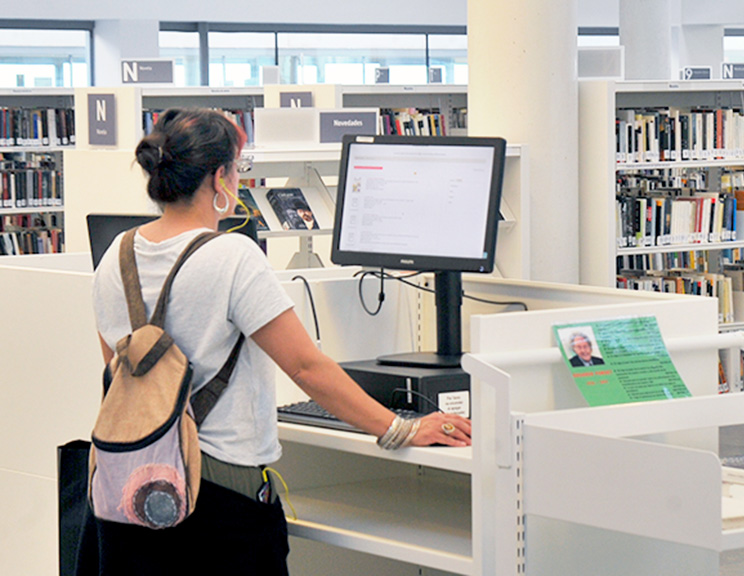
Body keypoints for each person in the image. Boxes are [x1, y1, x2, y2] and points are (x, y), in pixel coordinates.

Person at [91, 108, 470, 575]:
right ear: (219, 177)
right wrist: (402, 429)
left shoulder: (116, 255)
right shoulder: (231, 254)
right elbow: (307, 368)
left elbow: (119, 377)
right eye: (237, 167)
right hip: (219, 500)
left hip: (128, 492)